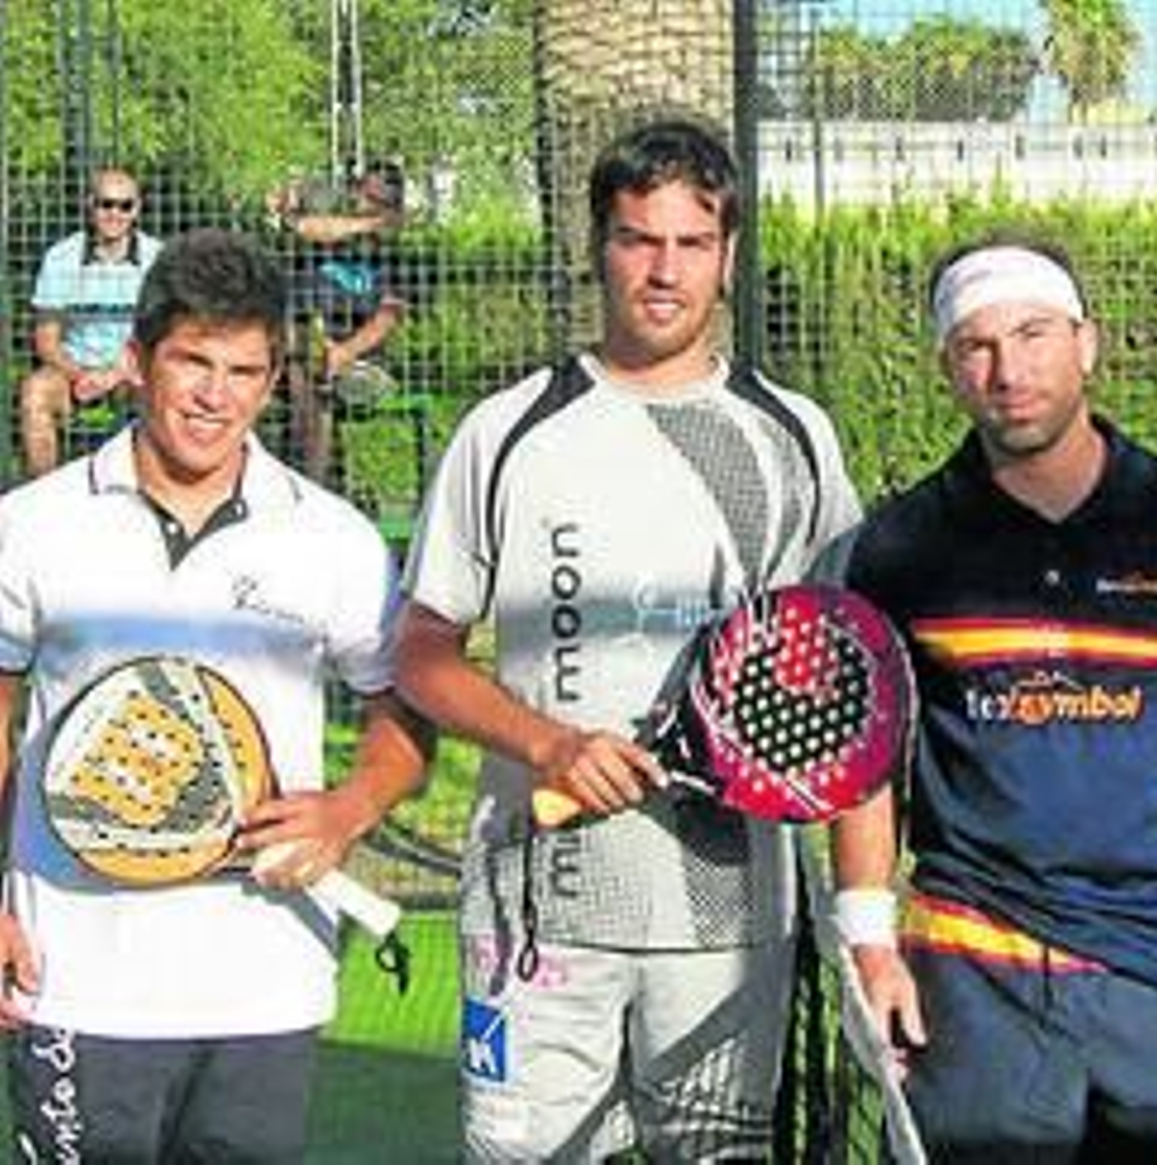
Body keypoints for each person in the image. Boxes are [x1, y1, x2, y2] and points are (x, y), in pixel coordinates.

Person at [394, 115, 860, 1160]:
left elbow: (841, 658)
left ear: (728, 256)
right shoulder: (507, 431)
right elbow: (420, 653)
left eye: (692, 244)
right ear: (598, 246)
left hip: (731, 918)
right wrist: (548, 745)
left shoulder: (793, 437)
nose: (663, 271)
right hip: (532, 909)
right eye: (638, 239)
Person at [823, 236, 1157, 1160]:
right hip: (973, 966)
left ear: (1088, 343)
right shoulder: (900, 544)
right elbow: (866, 762)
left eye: (1034, 334)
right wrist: (869, 943)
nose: (1009, 369)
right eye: (978, 346)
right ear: (948, 370)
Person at [0, 227, 432, 1162]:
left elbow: (405, 708)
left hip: (263, 983)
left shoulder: (335, 540)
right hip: (75, 976)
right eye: (192, 362)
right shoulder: (30, 527)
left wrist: (347, 810)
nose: (214, 396)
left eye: (243, 371)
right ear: (136, 361)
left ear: (273, 380)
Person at [268, 159, 408, 484]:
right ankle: (320, 485)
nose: (364, 204)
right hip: (304, 353)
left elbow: (388, 317)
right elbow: (304, 227)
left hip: (360, 363)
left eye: (377, 201)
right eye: (362, 193)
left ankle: (311, 485)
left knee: (318, 389)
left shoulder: (394, 258)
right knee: (308, 372)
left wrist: (346, 351)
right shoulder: (325, 234)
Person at [17, 166, 162, 479]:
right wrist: (81, 375)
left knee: (162, 395)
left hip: (135, 370)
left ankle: (152, 493)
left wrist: (118, 373)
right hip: (74, 371)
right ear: (90, 205)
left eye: (125, 205)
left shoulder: (156, 258)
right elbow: (46, 338)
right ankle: (42, 499)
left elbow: (163, 334)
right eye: (106, 204)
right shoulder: (61, 256)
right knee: (34, 392)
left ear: (137, 209)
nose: (115, 213)